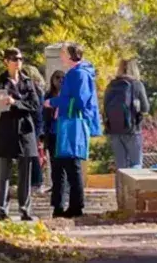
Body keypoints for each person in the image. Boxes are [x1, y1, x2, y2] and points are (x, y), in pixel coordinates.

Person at [50, 43, 100, 219]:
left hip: (73, 123)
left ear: (71, 55)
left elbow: (79, 101)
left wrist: (54, 103)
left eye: (63, 53)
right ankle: (72, 205)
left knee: (72, 164)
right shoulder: (76, 73)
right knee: (68, 163)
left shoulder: (78, 74)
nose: (61, 57)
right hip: (69, 122)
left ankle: (76, 206)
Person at [0, 48, 42, 222]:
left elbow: (35, 105)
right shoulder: (0, 81)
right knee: (4, 173)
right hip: (7, 129)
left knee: (25, 173)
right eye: (14, 59)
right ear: (6, 61)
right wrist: (19, 102)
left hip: (25, 130)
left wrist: (15, 102)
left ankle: (25, 209)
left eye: (20, 58)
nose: (18, 62)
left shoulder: (28, 82)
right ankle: (2, 211)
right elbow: (1, 104)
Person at [104, 58, 150, 170]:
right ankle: (134, 187)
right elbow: (145, 108)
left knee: (121, 167)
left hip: (114, 130)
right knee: (136, 163)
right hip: (133, 130)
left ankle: (120, 188)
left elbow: (105, 107)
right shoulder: (137, 84)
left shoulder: (111, 85)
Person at [24, 64, 47, 192]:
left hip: (35, 124)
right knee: (32, 154)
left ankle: (37, 182)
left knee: (33, 154)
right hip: (35, 124)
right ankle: (34, 181)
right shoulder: (37, 89)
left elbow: (37, 110)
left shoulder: (35, 90)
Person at [42, 71, 64, 196]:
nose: (60, 80)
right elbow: (44, 115)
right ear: (52, 80)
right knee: (54, 163)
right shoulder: (48, 95)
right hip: (52, 133)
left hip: (65, 133)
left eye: (62, 77)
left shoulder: (68, 95)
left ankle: (63, 187)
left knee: (65, 163)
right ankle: (56, 186)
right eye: (57, 77)